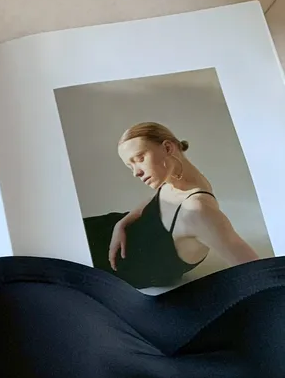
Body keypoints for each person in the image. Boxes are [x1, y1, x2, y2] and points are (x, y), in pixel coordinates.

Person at [83, 122, 259, 288]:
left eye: (140, 158)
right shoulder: (172, 180)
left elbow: (259, 271)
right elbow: (154, 201)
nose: (136, 173)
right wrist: (121, 224)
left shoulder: (197, 211)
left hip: (108, 261)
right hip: (108, 231)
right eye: (130, 166)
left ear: (168, 148)